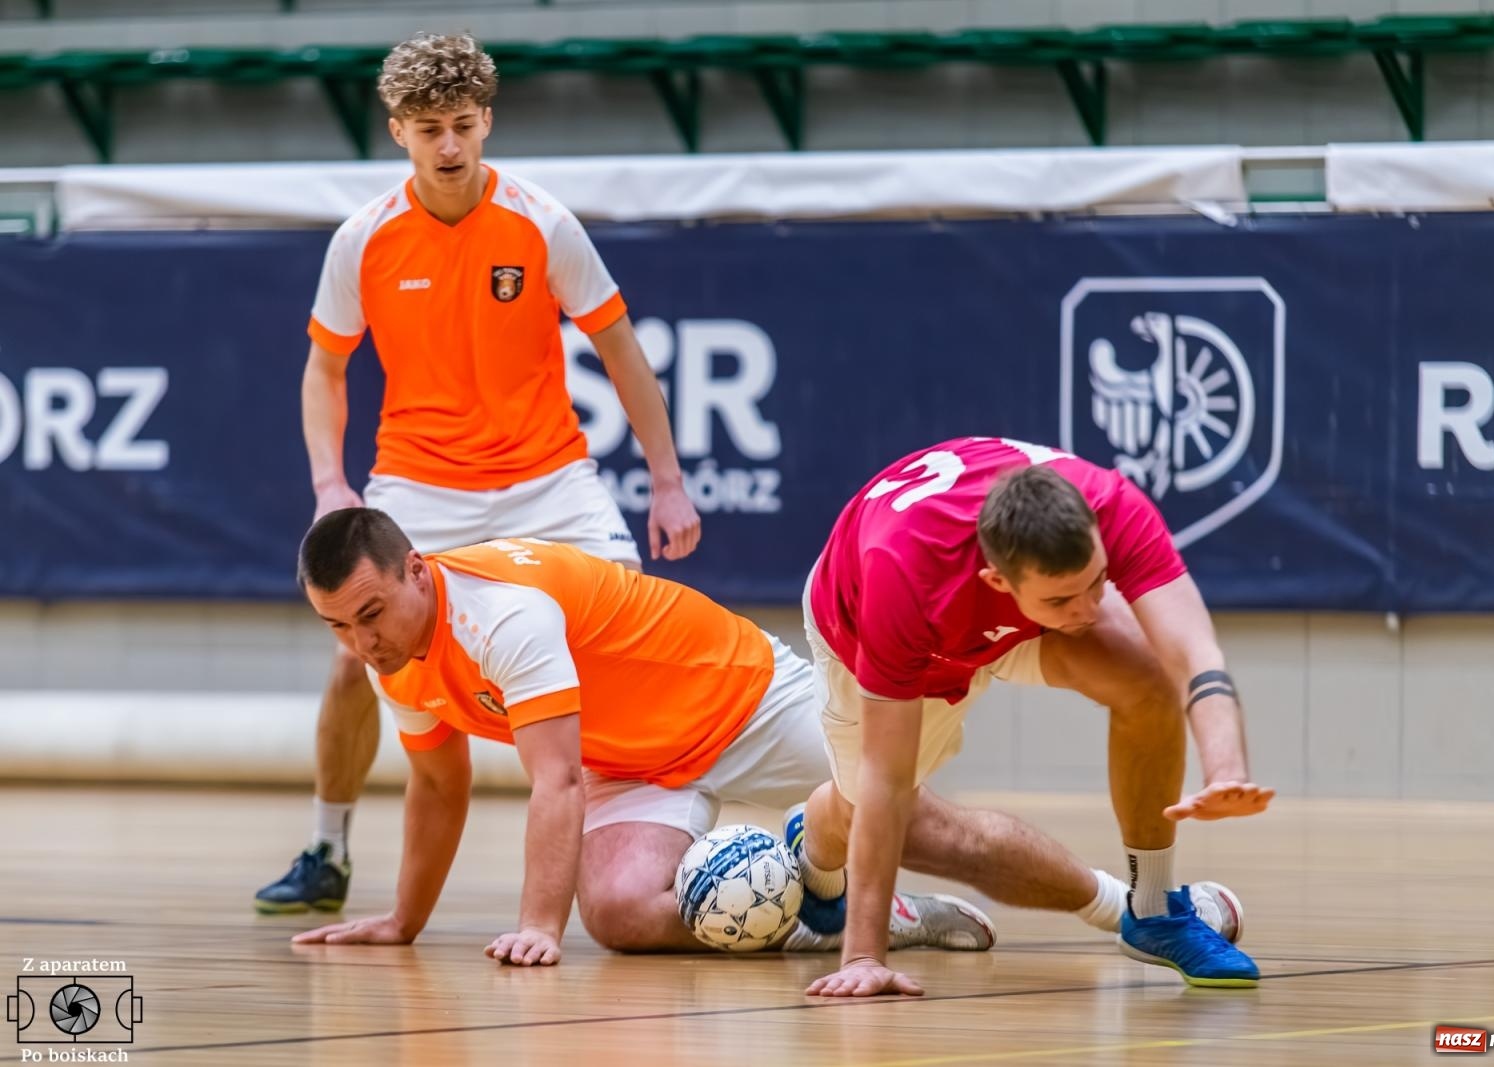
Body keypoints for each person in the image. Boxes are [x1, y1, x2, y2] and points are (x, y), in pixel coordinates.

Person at [255, 32, 701, 913]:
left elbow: (619, 348)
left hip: (549, 479)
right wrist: (328, 487)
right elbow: (325, 368)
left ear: (487, 120)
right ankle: (326, 847)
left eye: (463, 125)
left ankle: (658, 820)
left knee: (628, 633)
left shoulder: (542, 222)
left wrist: (668, 476)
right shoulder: (364, 240)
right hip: (417, 486)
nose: (450, 147)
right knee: (355, 658)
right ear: (398, 133)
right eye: (429, 130)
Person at [287, 508, 1010, 960]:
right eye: (339, 626)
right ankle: (834, 908)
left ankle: (1114, 899)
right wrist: (403, 922)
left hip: (737, 696)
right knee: (620, 913)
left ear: (416, 571)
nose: (361, 642)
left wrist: (539, 927)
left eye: (371, 613)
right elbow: (441, 785)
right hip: (631, 764)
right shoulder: (391, 660)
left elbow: (556, 780)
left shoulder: (500, 615)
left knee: (929, 830)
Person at [794, 435, 1274, 997]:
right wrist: (863, 958)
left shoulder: (1110, 503)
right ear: (997, 582)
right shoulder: (899, 572)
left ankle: (1153, 910)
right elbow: (887, 775)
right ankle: (816, 852)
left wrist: (1225, 771)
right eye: (1065, 599)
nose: (1090, 609)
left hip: (1010, 621)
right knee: (872, 808)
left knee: (1147, 678)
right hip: (871, 633)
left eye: (1098, 580)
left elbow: (1195, 654)